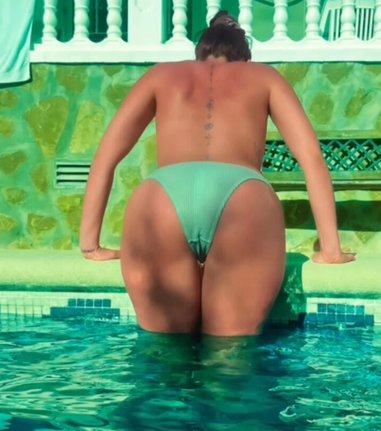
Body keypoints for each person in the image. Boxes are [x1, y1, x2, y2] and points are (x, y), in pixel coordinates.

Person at [80, 11, 355, 337]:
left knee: (163, 353)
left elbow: (106, 157)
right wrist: (331, 249)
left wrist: (90, 244)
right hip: (242, 199)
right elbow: (311, 159)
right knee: (230, 355)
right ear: (246, 57)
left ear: (200, 52)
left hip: (162, 198)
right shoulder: (264, 77)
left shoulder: (160, 75)